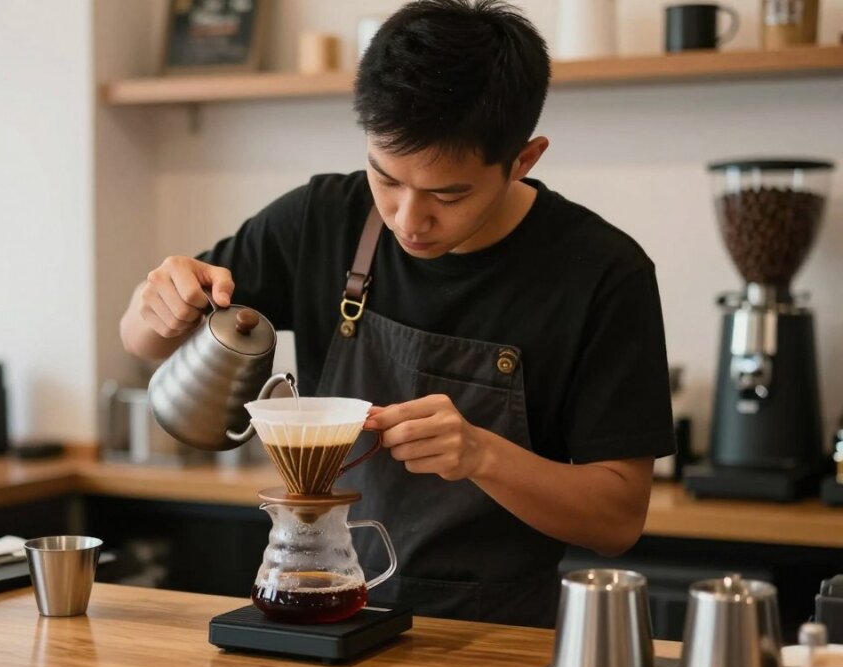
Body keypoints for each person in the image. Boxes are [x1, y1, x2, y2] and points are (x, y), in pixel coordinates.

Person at [120, 0, 675, 627]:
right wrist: (156, 303)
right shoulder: (321, 219)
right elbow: (142, 340)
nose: (408, 220)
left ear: (524, 159)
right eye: (386, 178)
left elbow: (618, 520)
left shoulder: (602, 273)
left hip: (494, 636)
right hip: (324, 610)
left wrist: (481, 454)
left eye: (448, 194)